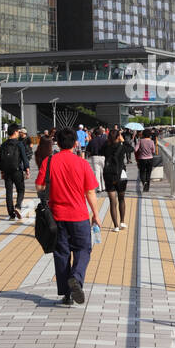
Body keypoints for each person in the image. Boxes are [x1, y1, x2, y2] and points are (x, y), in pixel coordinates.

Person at [36, 127, 102, 305]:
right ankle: (76, 278)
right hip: (79, 215)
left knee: (62, 253)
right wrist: (95, 214)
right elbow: (90, 191)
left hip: (56, 216)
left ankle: (67, 294)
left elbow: (40, 188)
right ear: (75, 143)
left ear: (57, 142)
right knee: (83, 249)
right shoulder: (82, 164)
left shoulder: (48, 162)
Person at [102, 128, 131, 232]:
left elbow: (100, 152)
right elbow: (131, 149)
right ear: (119, 136)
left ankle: (115, 226)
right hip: (121, 175)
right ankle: (122, 221)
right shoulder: (122, 147)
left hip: (109, 175)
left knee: (112, 201)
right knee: (121, 199)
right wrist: (123, 141)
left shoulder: (106, 146)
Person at [0, 124, 29, 221]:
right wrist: (27, 168)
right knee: (21, 190)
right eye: (18, 131)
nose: (19, 133)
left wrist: (2, 171)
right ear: (15, 132)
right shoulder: (19, 144)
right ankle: (18, 207)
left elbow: (1, 159)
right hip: (17, 171)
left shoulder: (3, 144)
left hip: (6, 171)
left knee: (9, 192)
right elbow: (24, 157)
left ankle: (11, 214)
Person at [86, 126, 108, 192]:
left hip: (94, 157)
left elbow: (88, 150)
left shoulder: (92, 141)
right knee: (103, 172)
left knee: (97, 172)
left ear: (95, 134)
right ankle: (104, 186)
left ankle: (99, 188)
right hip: (103, 157)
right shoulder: (104, 141)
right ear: (101, 133)